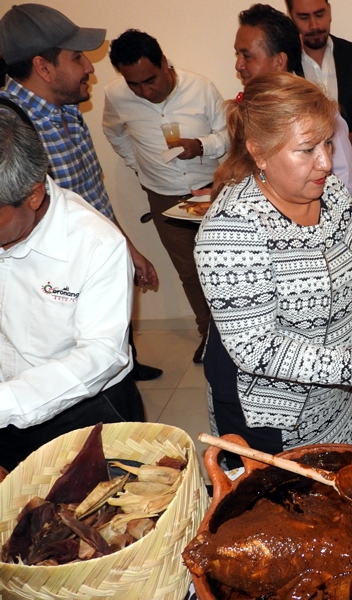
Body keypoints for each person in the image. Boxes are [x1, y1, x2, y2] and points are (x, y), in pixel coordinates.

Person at [195, 72, 352, 461]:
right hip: (269, 411)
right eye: (307, 149)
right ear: (259, 152)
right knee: (282, 506)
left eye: (327, 143)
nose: (326, 162)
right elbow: (255, 349)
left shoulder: (332, 194)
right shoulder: (230, 229)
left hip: (332, 390)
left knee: (336, 480)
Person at [0, 3, 162, 380]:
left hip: (93, 278)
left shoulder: (67, 111)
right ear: (43, 67)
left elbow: (91, 196)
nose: (90, 67)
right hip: (52, 312)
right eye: (77, 58)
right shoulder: (11, 131)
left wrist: (125, 248)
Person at [0, 109, 144, 472]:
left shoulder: (95, 243)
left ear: (33, 195)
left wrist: (7, 401)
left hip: (84, 408)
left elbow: (101, 353)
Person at [104, 30, 228, 364]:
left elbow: (228, 135)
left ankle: (235, 336)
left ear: (164, 63)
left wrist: (202, 146)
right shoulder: (115, 96)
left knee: (224, 268)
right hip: (163, 197)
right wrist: (137, 165)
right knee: (188, 272)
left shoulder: (200, 88)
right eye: (134, 85)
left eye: (150, 80)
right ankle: (209, 336)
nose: (145, 91)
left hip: (212, 192)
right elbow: (113, 132)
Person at [286, 0, 352, 251]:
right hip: (299, 192)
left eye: (320, 14)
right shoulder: (284, 61)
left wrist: (349, 139)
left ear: (330, 11)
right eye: (304, 17)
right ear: (290, 16)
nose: (314, 25)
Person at [232, 3, 352, 198]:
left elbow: (345, 184)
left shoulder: (314, 109)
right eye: (237, 54)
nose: (238, 65)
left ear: (279, 61)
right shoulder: (247, 111)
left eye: (247, 56)